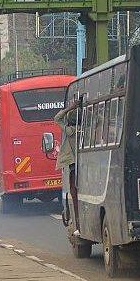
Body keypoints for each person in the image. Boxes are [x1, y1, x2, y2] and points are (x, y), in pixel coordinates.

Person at [54, 99, 80, 233]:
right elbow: (99, 120)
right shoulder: (85, 130)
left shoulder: (68, 130)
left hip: (72, 165)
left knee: (74, 193)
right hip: (85, 164)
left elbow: (57, 118)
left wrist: (69, 108)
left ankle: (78, 223)